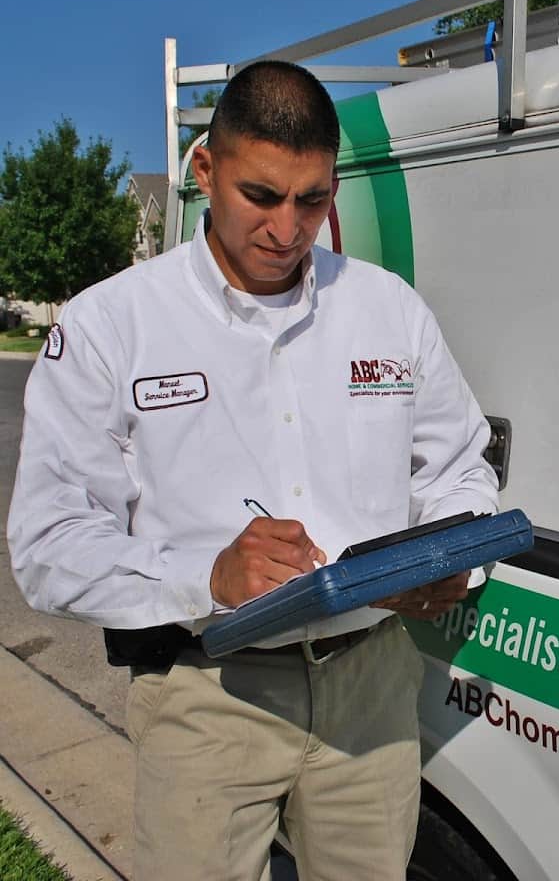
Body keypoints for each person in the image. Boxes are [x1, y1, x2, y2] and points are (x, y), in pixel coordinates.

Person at [7, 61, 499, 880]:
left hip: (370, 684)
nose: (289, 227)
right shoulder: (110, 326)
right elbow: (50, 544)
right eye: (261, 196)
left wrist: (445, 559)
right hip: (209, 697)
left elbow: (460, 467)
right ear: (205, 170)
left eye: (313, 199)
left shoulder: (388, 309)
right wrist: (209, 576)